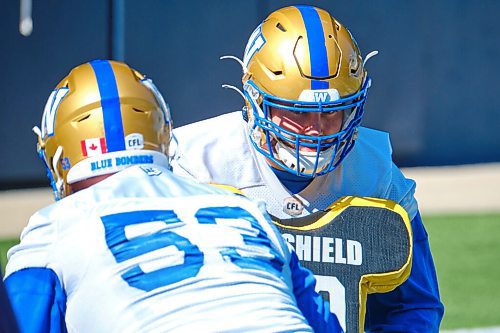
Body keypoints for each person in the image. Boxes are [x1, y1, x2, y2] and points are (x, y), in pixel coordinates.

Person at [3, 60, 342, 332]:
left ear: (60, 156)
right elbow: (323, 323)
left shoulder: (55, 227)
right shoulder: (242, 207)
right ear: (162, 135)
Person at [171, 5, 444, 332]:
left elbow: (414, 306)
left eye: (331, 111)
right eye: (298, 112)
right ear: (256, 101)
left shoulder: (376, 176)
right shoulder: (197, 166)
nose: (316, 129)